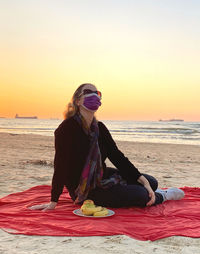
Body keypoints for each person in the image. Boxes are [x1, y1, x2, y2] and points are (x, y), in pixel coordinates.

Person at [30, 83, 184, 211]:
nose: (94, 95)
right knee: (141, 195)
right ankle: (163, 195)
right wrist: (53, 201)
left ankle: (152, 190)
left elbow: (117, 157)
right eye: (88, 92)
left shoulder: (100, 128)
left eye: (96, 92)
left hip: (102, 176)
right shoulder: (66, 129)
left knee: (151, 181)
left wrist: (145, 183)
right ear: (77, 101)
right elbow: (60, 166)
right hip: (83, 189)